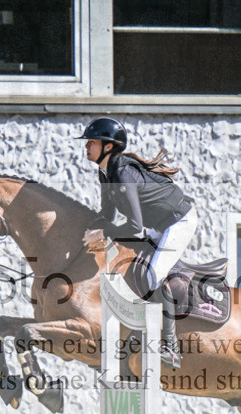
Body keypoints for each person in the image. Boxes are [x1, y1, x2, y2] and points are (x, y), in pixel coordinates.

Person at [78, 117, 198, 368]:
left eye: (92, 142)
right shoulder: (105, 173)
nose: (86, 146)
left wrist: (102, 233)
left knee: (153, 277)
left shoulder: (123, 174)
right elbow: (107, 214)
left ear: (108, 146)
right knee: (133, 270)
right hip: (159, 225)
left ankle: (170, 347)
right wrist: (82, 229)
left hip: (178, 222)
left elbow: (134, 227)